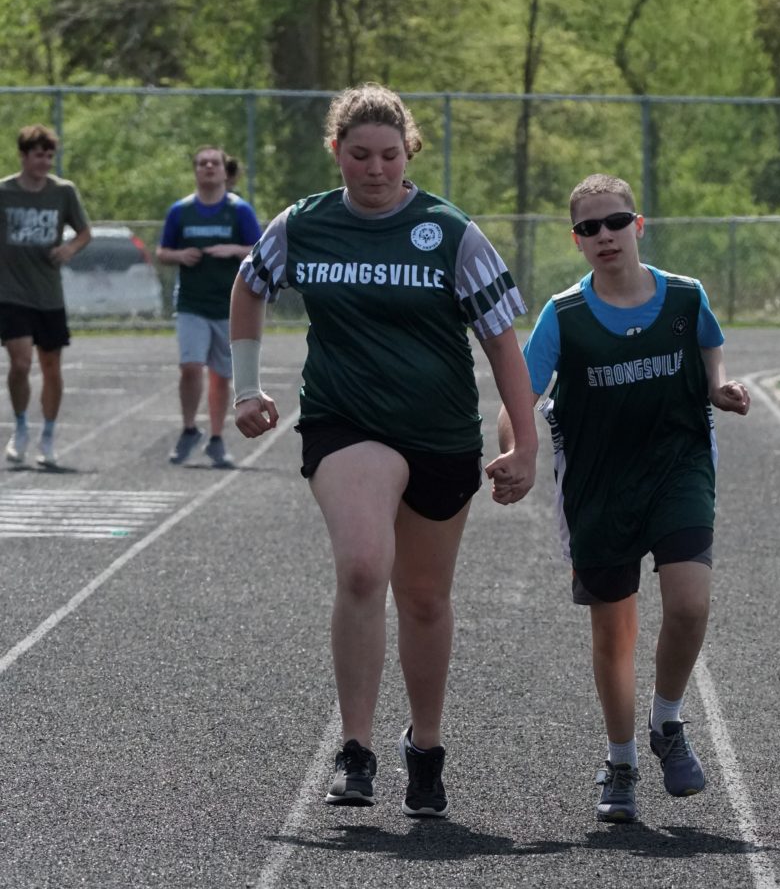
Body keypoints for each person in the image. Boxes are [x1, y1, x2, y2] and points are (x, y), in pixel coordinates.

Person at [229, 83, 538, 819]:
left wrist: (525, 442)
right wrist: (246, 386)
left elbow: (501, 340)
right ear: (336, 152)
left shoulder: (449, 230)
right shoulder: (303, 225)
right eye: (359, 154)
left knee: (425, 599)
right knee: (365, 565)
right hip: (345, 420)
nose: (374, 169)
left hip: (437, 430)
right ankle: (356, 749)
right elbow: (247, 289)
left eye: (389, 156)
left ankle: (425, 748)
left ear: (410, 154)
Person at [496, 173, 750, 823]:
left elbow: (709, 346)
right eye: (589, 227)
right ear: (576, 240)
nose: (604, 235)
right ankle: (621, 760)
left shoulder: (686, 297)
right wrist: (520, 453)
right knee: (615, 631)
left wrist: (720, 385)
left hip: (678, 468)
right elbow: (518, 400)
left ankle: (667, 721)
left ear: (638, 225)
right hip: (599, 486)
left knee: (690, 604)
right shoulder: (565, 315)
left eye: (616, 222)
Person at [157, 145, 261, 466]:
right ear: (195, 171)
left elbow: (259, 249)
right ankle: (189, 428)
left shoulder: (239, 210)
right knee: (190, 367)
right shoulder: (181, 210)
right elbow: (161, 251)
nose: (208, 168)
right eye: (202, 164)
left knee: (220, 376)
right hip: (191, 303)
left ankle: (216, 438)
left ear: (223, 170)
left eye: (214, 163)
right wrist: (179, 256)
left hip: (228, 305)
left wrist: (232, 249)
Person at [0, 123, 92, 469]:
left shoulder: (63, 191)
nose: (45, 161)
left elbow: (85, 232)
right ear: (24, 156)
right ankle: (21, 425)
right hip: (11, 292)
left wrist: (70, 248)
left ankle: (48, 434)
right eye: (39, 155)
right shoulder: (4, 192)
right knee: (20, 363)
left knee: (51, 367)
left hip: (48, 293)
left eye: (50, 155)